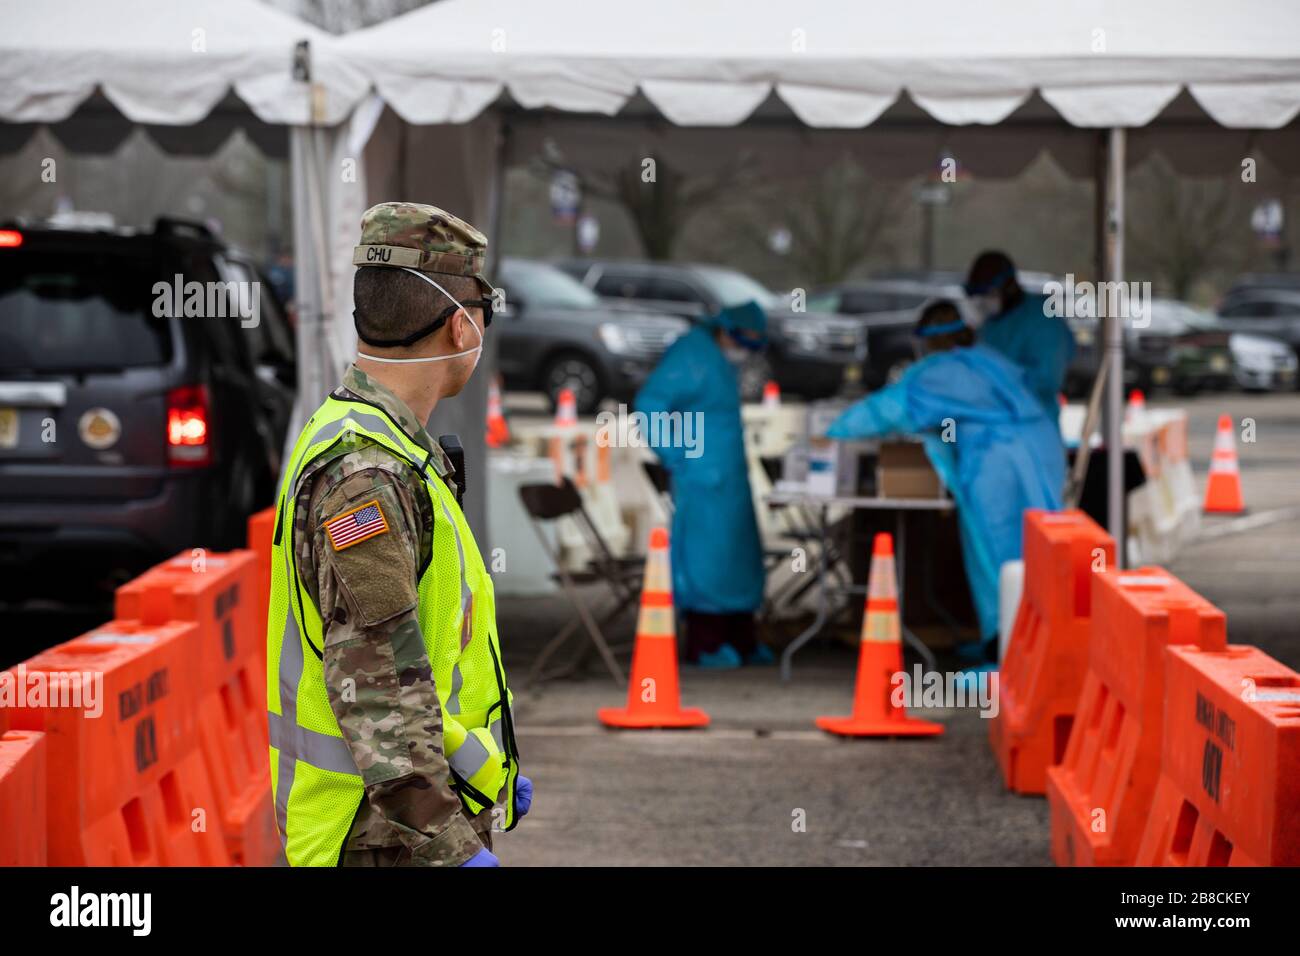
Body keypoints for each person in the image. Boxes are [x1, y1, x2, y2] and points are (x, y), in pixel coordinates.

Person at [267, 202, 530, 867]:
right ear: (461, 325)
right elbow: (378, 685)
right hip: (381, 836)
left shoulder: (365, 437)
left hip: (395, 819)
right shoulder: (368, 473)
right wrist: (450, 847)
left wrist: (484, 770)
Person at [827, 300, 1066, 664]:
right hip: (1040, 455)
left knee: (997, 557)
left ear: (931, 339)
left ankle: (1008, 651)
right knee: (1037, 552)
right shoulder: (987, 357)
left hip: (997, 467)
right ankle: (1032, 643)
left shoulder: (943, 371)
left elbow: (890, 410)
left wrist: (831, 429)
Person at [634, 301, 770, 669]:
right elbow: (649, 404)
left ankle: (742, 639)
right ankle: (705, 644)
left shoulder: (715, 358)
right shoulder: (693, 353)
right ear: (725, 329)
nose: (747, 351)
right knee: (708, 562)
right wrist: (675, 454)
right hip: (700, 478)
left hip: (729, 478)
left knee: (738, 559)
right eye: (745, 341)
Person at [964, 250, 1075, 430]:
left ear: (1009, 286)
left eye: (988, 293)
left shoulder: (1042, 322)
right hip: (999, 430)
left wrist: (994, 381)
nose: (982, 301)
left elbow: (1048, 379)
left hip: (1035, 430)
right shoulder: (992, 323)